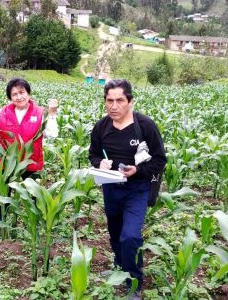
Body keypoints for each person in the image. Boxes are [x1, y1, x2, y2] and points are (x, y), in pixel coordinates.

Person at [89, 79, 166, 299]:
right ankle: (119, 266)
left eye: (119, 100)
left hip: (137, 189)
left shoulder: (145, 126)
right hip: (111, 187)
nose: (114, 106)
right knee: (115, 234)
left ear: (130, 101)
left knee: (130, 236)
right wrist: (99, 163)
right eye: (109, 101)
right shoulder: (101, 127)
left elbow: (160, 160)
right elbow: (93, 153)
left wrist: (137, 171)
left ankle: (134, 282)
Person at [0, 78, 59, 220]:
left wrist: (52, 113)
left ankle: (34, 225)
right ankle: (1, 225)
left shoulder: (40, 112)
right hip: (7, 162)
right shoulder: (3, 112)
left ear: (28, 93)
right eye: (14, 94)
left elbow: (52, 134)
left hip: (31, 161)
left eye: (22, 92)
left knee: (34, 196)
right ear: (10, 97)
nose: (19, 97)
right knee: (3, 195)